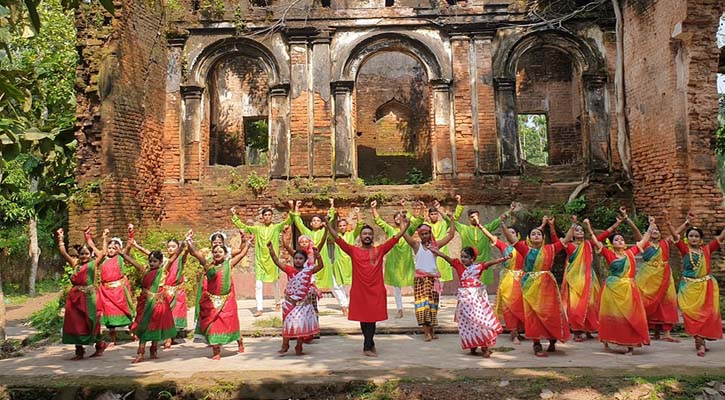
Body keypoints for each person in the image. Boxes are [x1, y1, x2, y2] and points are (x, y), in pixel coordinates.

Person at [328, 213, 410, 356]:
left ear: (372, 237)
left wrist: (405, 227)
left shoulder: (380, 250)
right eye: (364, 233)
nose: (367, 236)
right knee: (363, 318)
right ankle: (369, 345)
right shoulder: (354, 251)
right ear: (360, 237)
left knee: (371, 319)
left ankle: (368, 345)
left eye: (369, 234)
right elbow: (337, 239)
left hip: (376, 290)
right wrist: (328, 224)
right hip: (359, 291)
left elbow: (395, 239)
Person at [501, 215, 570, 357]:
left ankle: (552, 340)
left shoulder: (550, 249)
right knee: (533, 315)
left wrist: (574, 225)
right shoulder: (525, 250)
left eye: (539, 233)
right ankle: (536, 344)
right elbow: (511, 239)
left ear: (543, 238)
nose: (536, 235)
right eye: (533, 234)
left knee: (550, 312)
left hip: (547, 285)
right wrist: (502, 224)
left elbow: (566, 240)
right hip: (530, 285)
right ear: (529, 238)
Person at [584, 217, 653, 355]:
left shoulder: (630, 253)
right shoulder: (608, 254)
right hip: (612, 289)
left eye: (621, 239)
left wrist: (651, 225)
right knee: (612, 316)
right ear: (611, 243)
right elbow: (596, 242)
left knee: (630, 316)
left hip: (628, 289)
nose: (620, 241)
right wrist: (588, 227)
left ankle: (630, 344)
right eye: (616, 239)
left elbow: (644, 240)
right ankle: (607, 339)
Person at [665, 212, 725, 357]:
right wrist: (668, 223)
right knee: (693, 316)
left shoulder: (707, 250)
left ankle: (701, 342)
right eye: (691, 236)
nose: (693, 238)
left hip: (706, 287)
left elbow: (722, 236)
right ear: (687, 238)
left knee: (705, 316)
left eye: (696, 236)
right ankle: (700, 342)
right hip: (689, 288)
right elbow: (674, 237)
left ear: (701, 239)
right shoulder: (685, 249)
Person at [432, 245, 509, 357]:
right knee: (467, 324)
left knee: (480, 322)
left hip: (476, 300)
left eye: (466, 257)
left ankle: (484, 348)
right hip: (464, 300)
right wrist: (436, 252)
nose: (463, 259)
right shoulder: (458, 265)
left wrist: (503, 259)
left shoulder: (478, 267)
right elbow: (446, 258)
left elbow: (489, 263)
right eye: (462, 256)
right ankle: (472, 346)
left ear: (473, 259)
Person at [123, 225, 182, 363]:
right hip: (145, 304)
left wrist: (184, 245)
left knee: (156, 327)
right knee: (143, 328)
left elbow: (173, 258)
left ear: (160, 262)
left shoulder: (163, 271)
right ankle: (141, 353)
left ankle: (153, 350)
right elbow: (133, 262)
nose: (152, 263)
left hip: (159, 304)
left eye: (154, 261)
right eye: (150, 261)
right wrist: (122, 253)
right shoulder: (145, 271)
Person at [188, 230, 250, 360]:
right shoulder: (208, 266)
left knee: (231, 323)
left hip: (227, 300)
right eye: (215, 251)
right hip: (211, 301)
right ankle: (216, 351)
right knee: (213, 326)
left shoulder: (229, 264)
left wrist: (247, 242)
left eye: (220, 251)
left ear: (226, 254)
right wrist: (189, 240)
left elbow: (242, 253)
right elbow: (195, 253)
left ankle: (239, 340)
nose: (217, 253)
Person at [560, 214, 622, 342]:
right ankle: (577, 330)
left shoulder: (588, 244)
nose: (579, 232)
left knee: (590, 303)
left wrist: (616, 225)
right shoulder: (569, 246)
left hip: (589, 278)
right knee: (575, 305)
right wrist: (551, 226)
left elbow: (603, 236)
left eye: (581, 230)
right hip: (574, 279)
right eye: (577, 230)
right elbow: (557, 239)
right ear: (572, 233)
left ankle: (588, 329)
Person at [402, 217, 456, 341]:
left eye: (427, 233)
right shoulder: (416, 245)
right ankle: (426, 333)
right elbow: (404, 235)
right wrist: (403, 223)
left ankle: (432, 331)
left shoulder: (436, 246)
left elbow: (451, 236)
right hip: (420, 280)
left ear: (430, 234)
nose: (425, 236)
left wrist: (452, 221)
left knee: (433, 306)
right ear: (419, 235)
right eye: (423, 234)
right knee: (423, 306)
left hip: (433, 280)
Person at [629, 212, 679, 343]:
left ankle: (666, 333)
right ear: (649, 233)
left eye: (658, 230)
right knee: (646, 301)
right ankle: (652, 331)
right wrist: (627, 219)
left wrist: (686, 223)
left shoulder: (665, 243)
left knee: (666, 302)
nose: (655, 231)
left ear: (661, 234)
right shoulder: (645, 244)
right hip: (647, 278)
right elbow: (635, 231)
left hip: (665, 277)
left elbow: (676, 235)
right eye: (653, 230)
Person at [57, 228, 106, 360]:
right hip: (75, 299)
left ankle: (100, 345)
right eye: (81, 254)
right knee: (75, 323)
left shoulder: (93, 264)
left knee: (91, 321)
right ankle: (79, 351)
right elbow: (63, 252)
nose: (84, 256)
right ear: (78, 255)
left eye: (86, 254)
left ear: (90, 255)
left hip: (89, 297)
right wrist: (61, 238)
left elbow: (103, 254)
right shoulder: (75, 264)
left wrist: (104, 238)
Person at [133, 236, 190, 349]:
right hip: (163, 292)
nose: (170, 249)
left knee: (170, 316)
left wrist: (185, 244)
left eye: (173, 246)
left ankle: (169, 339)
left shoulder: (177, 260)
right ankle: (163, 340)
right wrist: (136, 246)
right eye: (168, 246)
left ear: (178, 248)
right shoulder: (162, 262)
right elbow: (149, 254)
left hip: (175, 291)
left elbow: (182, 254)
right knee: (162, 317)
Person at [231, 206, 290, 317]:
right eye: (265, 215)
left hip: (272, 260)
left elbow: (288, 220)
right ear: (262, 217)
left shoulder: (276, 228)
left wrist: (293, 208)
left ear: (272, 216)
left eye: (269, 215)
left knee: (275, 283)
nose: (267, 217)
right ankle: (259, 308)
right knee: (258, 285)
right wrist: (235, 216)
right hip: (260, 260)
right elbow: (244, 227)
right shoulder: (257, 229)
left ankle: (278, 302)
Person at [291, 199, 348, 312]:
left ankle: (344, 305)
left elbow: (330, 221)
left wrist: (332, 205)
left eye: (318, 220)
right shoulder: (307, 233)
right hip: (311, 264)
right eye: (314, 220)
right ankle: (311, 306)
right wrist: (296, 207)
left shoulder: (324, 232)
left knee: (333, 284)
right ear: (311, 223)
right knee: (310, 285)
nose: (316, 222)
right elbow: (298, 222)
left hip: (324, 262)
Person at [268, 240, 323, 356]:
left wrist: (318, 256)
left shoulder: (308, 271)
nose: (298, 260)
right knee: (288, 323)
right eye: (296, 258)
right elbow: (277, 261)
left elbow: (321, 266)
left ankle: (299, 346)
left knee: (300, 326)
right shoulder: (289, 270)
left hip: (303, 303)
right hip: (290, 303)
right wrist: (271, 249)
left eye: (300, 258)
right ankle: (285, 344)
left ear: (304, 260)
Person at [372, 199, 424, 318]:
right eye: (396, 217)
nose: (398, 219)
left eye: (400, 217)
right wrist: (374, 208)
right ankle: (399, 309)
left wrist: (422, 208)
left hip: (406, 261)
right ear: (394, 220)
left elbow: (419, 221)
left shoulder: (408, 230)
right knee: (396, 287)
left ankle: (419, 307)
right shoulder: (390, 230)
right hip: (394, 262)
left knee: (414, 285)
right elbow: (379, 221)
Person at [477, 225, 525, 344]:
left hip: (523, 280)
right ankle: (513, 334)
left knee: (521, 306)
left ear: (518, 235)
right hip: (508, 280)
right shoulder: (504, 247)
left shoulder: (524, 246)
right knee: (509, 307)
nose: (510, 235)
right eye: (508, 233)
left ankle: (519, 331)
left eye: (513, 232)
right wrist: (480, 226)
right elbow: (490, 237)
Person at [451, 195, 513, 286]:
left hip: (484, 263)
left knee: (483, 289)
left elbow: (499, 220)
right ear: (469, 219)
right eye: (472, 217)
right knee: (469, 286)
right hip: (469, 264)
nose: (474, 219)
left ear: (479, 217)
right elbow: (451, 221)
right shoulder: (464, 229)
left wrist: (510, 210)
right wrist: (459, 204)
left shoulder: (486, 228)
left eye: (476, 216)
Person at [87, 230, 134, 346]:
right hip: (106, 292)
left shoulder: (121, 258)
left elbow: (129, 245)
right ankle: (113, 340)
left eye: (114, 248)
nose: (111, 250)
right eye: (110, 248)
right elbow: (91, 245)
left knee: (126, 312)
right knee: (109, 317)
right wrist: (88, 234)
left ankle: (134, 334)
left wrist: (131, 233)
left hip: (119, 291)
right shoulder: (103, 258)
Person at [331, 206, 364, 316]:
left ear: (347, 226)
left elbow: (360, 225)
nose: (342, 227)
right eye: (340, 226)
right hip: (338, 263)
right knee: (337, 286)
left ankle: (353, 305)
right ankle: (344, 305)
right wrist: (331, 210)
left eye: (344, 225)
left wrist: (357, 213)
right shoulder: (336, 236)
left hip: (350, 263)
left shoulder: (351, 235)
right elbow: (329, 229)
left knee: (351, 286)